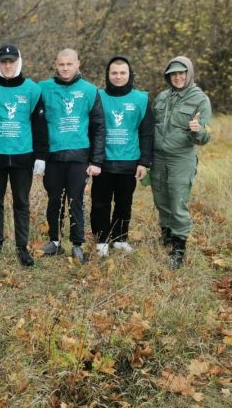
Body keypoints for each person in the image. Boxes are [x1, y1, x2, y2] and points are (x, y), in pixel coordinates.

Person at [0, 43, 47, 266]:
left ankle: (22, 247)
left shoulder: (33, 90)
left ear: (18, 61)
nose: (7, 65)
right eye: (3, 61)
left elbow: (39, 125)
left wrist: (41, 156)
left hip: (23, 156)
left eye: (11, 61)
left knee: (21, 202)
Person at [38, 49, 105, 264]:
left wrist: (96, 160)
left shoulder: (89, 90)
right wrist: (37, 156)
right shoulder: (43, 89)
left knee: (76, 201)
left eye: (69, 64)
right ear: (56, 65)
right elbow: (36, 125)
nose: (65, 68)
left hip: (79, 157)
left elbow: (98, 127)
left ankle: (77, 245)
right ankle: (55, 241)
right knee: (54, 200)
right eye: (61, 64)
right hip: (53, 157)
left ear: (78, 64)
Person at [151, 55, 212, 269]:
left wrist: (199, 131)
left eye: (181, 73)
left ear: (189, 73)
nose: (177, 77)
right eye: (173, 74)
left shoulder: (200, 99)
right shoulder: (161, 97)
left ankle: (179, 247)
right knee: (161, 200)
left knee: (178, 201)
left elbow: (204, 137)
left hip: (180, 158)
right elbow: (152, 127)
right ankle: (166, 237)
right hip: (158, 157)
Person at [90, 56, 153, 257]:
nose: (118, 76)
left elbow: (146, 132)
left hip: (129, 160)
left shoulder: (141, 99)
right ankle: (101, 241)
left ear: (129, 74)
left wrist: (144, 162)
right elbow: (91, 129)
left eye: (122, 73)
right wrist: (92, 159)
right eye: (114, 73)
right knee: (100, 202)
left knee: (124, 203)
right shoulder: (97, 96)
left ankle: (120, 239)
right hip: (103, 161)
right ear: (108, 75)